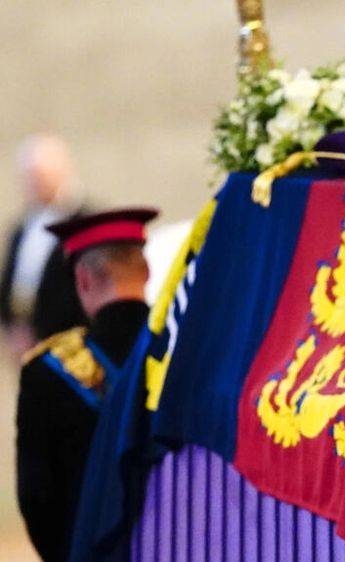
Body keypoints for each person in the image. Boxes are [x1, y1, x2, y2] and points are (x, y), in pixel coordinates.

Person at [16, 207, 158, 562]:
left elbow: (39, 501)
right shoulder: (186, 350)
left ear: (82, 280)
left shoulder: (46, 372)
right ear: (147, 271)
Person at [0, 134, 87, 357]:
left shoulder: (85, 222)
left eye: (42, 176)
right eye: (31, 178)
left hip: (70, 344)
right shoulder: (21, 228)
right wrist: (12, 328)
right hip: (25, 343)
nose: (36, 184)